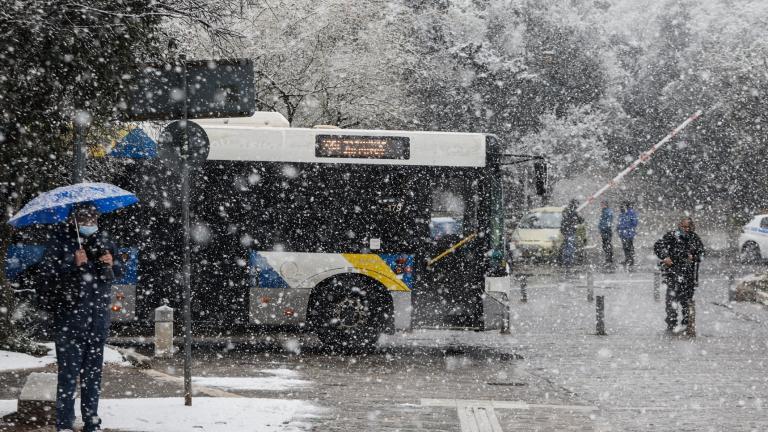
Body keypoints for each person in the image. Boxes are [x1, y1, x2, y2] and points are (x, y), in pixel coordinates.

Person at [38, 204, 122, 432]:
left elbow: (118, 271)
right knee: (68, 375)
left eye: (93, 217)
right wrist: (72, 264)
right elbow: (46, 279)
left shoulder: (104, 239)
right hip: (70, 322)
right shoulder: (60, 241)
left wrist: (111, 262)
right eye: (84, 217)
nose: (90, 221)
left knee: (93, 377)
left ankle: (91, 422)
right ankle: (64, 423)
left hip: (97, 321)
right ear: (73, 220)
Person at [654, 217, 704, 333]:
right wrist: (665, 257)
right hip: (673, 274)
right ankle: (671, 325)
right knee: (671, 301)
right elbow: (658, 246)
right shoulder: (671, 236)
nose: (686, 229)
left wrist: (694, 257)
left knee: (687, 303)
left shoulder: (694, 238)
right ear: (679, 226)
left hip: (689, 276)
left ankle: (687, 325)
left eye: (688, 227)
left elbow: (702, 255)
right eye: (684, 227)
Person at [560, 199, 584, 274]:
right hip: (570, 231)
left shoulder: (567, 211)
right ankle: (568, 265)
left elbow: (564, 221)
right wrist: (579, 216)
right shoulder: (573, 212)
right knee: (570, 248)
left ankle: (566, 264)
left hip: (566, 231)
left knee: (567, 247)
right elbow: (581, 220)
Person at [617, 201, 638, 270]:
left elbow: (634, 223)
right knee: (625, 247)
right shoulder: (622, 214)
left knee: (629, 246)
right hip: (623, 233)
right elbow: (619, 222)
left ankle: (631, 260)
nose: (621, 208)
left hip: (628, 233)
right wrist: (619, 228)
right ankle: (627, 259)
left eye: (622, 206)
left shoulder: (631, 213)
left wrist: (626, 226)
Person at [598, 200, 614, 270]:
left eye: (602, 204)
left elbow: (608, 222)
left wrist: (603, 227)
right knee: (605, 245)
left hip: (606, 231)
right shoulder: (604, 211)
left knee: (607, 245)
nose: (601, 205)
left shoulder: (608, 211)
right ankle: (608, 259)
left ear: (606, 204)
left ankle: (609, 259)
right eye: (601, 204)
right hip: (603, 231)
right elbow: (602, 221)